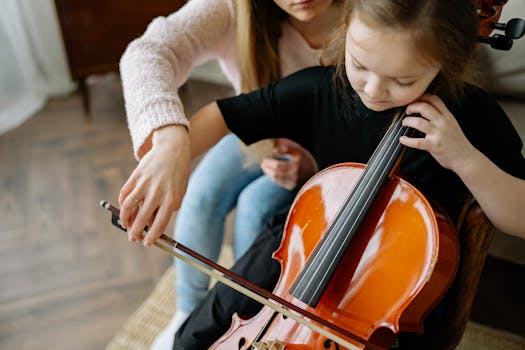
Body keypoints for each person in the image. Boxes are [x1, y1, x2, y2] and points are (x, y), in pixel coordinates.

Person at [120, 0, 525, 348]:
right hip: (300, 247)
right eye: (360, 65)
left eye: (404, 80)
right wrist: (169, 152)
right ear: (345, 29)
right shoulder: (321, 89)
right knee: (194, 336)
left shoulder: (472, 117)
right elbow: (223, 115)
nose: (374, 90)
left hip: (396, 300)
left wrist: (464, 158)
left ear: (446, 61)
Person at [117, 0, 344, 348]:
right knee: (201, 192)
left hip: (324, 158)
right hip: (257, 137)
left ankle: (242, 316)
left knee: (255, 209)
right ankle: (189, 311)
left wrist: (313, 165)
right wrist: (167, 138)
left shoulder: (369, 15)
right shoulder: (232, 8)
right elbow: (147, 51)